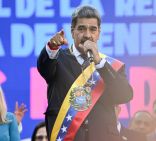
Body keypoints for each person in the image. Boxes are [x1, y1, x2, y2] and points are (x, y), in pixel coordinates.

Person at [37, 5, 133, 141]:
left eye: (93, 29)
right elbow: (44, 66)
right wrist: (51, 47)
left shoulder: (110, 65)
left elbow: (124, 95)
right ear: (72, 32)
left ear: (99, 33)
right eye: (81, 29)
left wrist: (100, 63)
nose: (87, 35)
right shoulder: (57, 58)